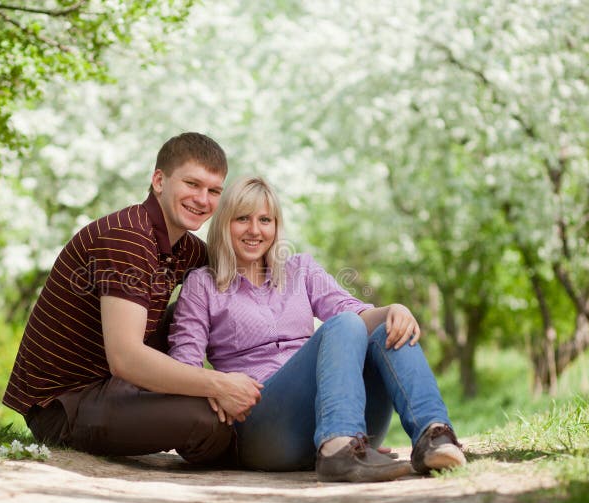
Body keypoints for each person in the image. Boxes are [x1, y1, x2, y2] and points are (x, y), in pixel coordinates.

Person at [168, 176, 466, 482]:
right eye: (242, 218)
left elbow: (352, 310)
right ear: (224, 224)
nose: (255, 230)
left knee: (388, 329)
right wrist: (217, 387)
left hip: (337, 418)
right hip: (263, 425)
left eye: (265, 220)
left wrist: (394, 310)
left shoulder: (300, 270)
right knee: (345, 324)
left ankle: (433, 436)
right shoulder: (202, 284)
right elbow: (184, 364)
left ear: (276, 225)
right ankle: (338, 447)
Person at [2, 133, 263, 465]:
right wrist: (219, 386)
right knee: (208, 422)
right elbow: (125, 359)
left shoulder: (184, 247)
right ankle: (260, 448)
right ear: (159, 181)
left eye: (213, 191)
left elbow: (241, 277)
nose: (202, 199)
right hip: (64, 405)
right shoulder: (127, 237)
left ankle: (261, 401)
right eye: (192, 184)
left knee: (197, 308)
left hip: (114, 386)